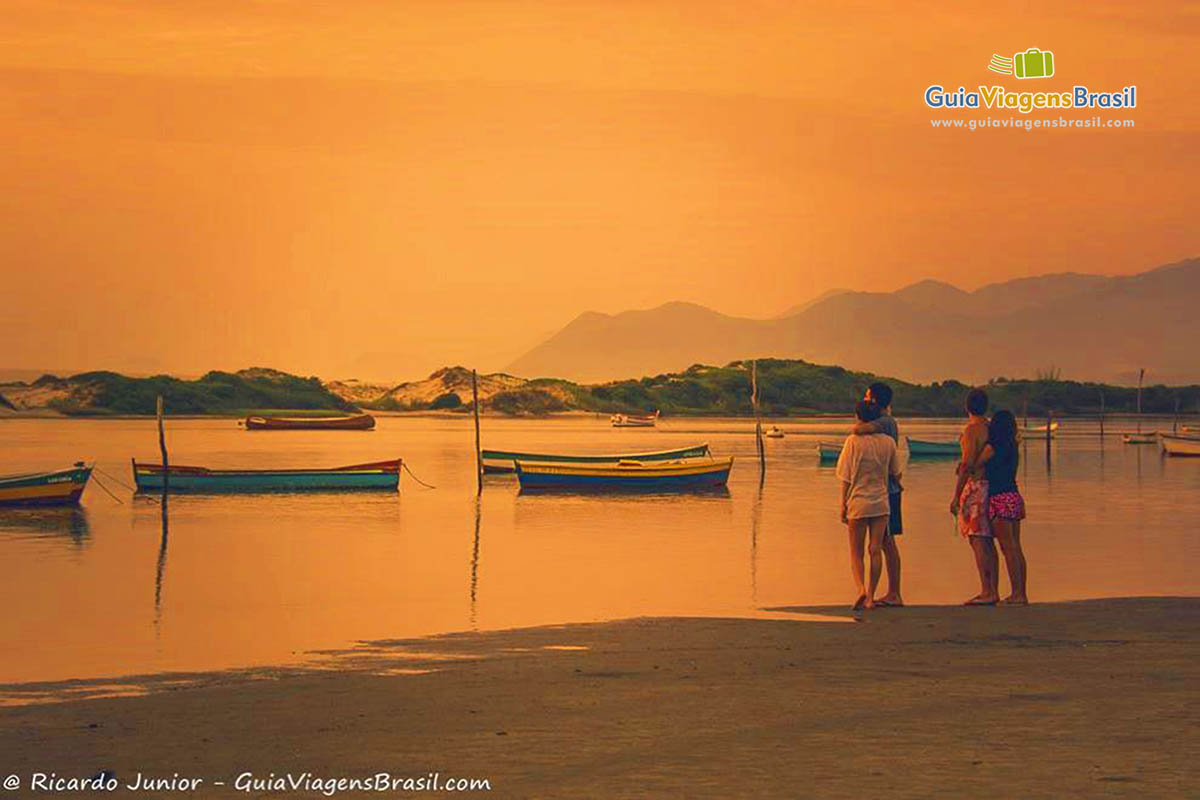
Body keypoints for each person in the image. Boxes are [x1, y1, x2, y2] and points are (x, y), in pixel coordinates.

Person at [837, 399, 901, 610]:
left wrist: (842, 503)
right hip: (881, 502)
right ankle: (872, 597)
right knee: (875, 549)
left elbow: (845, 477)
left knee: (856, 552)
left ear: (858, 416)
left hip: (858, 501)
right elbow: (895, 472)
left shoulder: (852, 442)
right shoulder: (888, 443)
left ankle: (861, 589)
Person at [850, 381, 904, 606]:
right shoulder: (885, 421)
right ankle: (888, 592)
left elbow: (859, 429)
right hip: (884, 491)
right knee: (883, 542)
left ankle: (894, 592)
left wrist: (859, 422)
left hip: (886, 491)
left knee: (887, 542)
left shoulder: (884, 422)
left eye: (867, 396)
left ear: (873, 399)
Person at [974, 410, 1029, 605]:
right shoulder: (1012, 445)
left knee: (1008, 549)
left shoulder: (993, 446)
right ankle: (1021, 592)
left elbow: (976, 462)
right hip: (1014, 496)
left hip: (1000, 498)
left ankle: (1017, 595)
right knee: (1016, 548)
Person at [950, 388, 997, 605]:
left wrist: (956, 495)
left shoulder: (972, 430)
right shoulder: (991, 428)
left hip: (976, 488)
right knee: (987, 542)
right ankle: (992, 589)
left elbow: (968, 464)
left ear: (967, 407)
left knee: (977, 541)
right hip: (990, 485)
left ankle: (986, 590)